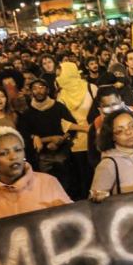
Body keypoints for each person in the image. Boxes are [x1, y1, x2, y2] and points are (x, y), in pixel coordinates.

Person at [0, 127, 71, 225]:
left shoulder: (48, 183)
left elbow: (73, 221)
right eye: (3, 153)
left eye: (18, 150)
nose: (13, 157)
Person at [19, 79, 79, 198]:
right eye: (35, 88)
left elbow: (71, 127)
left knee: (66, 187)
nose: (38, 91)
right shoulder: (27, 113)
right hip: (41, 157)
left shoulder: (58, 107)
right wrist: (39, 138)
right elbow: (24, 134)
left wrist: (60, 140)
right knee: (46, 188)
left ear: (47, 89)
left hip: (62, 154)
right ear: (31, 92)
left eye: (41, 87)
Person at [89, 107, 133, 197]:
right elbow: (95, 202)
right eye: (120, 131)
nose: (128, 132)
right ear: (112, 136)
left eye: (132, 126)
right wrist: (98, 197)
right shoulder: (108, 164)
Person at [54, 62, 95, 199]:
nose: (58, 77)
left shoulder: (91, 88)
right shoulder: (61, 96)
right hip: (75, 143)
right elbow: (62, 121)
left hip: (95, 139)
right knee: (82, 178)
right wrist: (84, 128)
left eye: (60, 73)